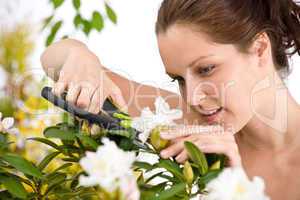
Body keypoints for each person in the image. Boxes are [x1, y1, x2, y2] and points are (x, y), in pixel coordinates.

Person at [41, 0, 300, 199]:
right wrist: (81, 55)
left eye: (206, 69)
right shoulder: (190, 123)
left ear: (260, 49)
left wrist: (233, 185)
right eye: (179, 79)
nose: (193, 98)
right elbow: (53, 61)